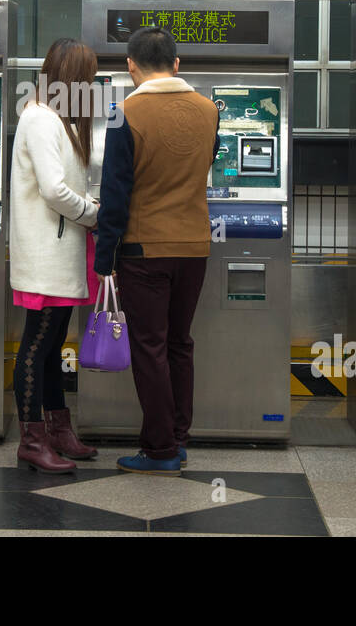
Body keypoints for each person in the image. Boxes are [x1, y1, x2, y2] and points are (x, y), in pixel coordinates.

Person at [93, 26, 219, 476]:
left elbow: (115, 193)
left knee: (150, 347)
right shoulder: (209, 111)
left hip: (143, 249)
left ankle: (160, 448)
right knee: (180, 342)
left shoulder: (124, 112)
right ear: (177, 63)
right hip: (194, 246)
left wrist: (104, 258)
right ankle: (178, 439)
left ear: (131, 67)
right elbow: (207, 162)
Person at [8, 38, 102, 473]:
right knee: (36, 346)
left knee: (50, 347)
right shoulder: (42, 119)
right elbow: (53, 190)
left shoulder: (56, 119)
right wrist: (91, 214)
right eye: (90, 77)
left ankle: (58, 430)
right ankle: (32, 439)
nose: (94, 84)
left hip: (61, 249)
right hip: (47, 251)